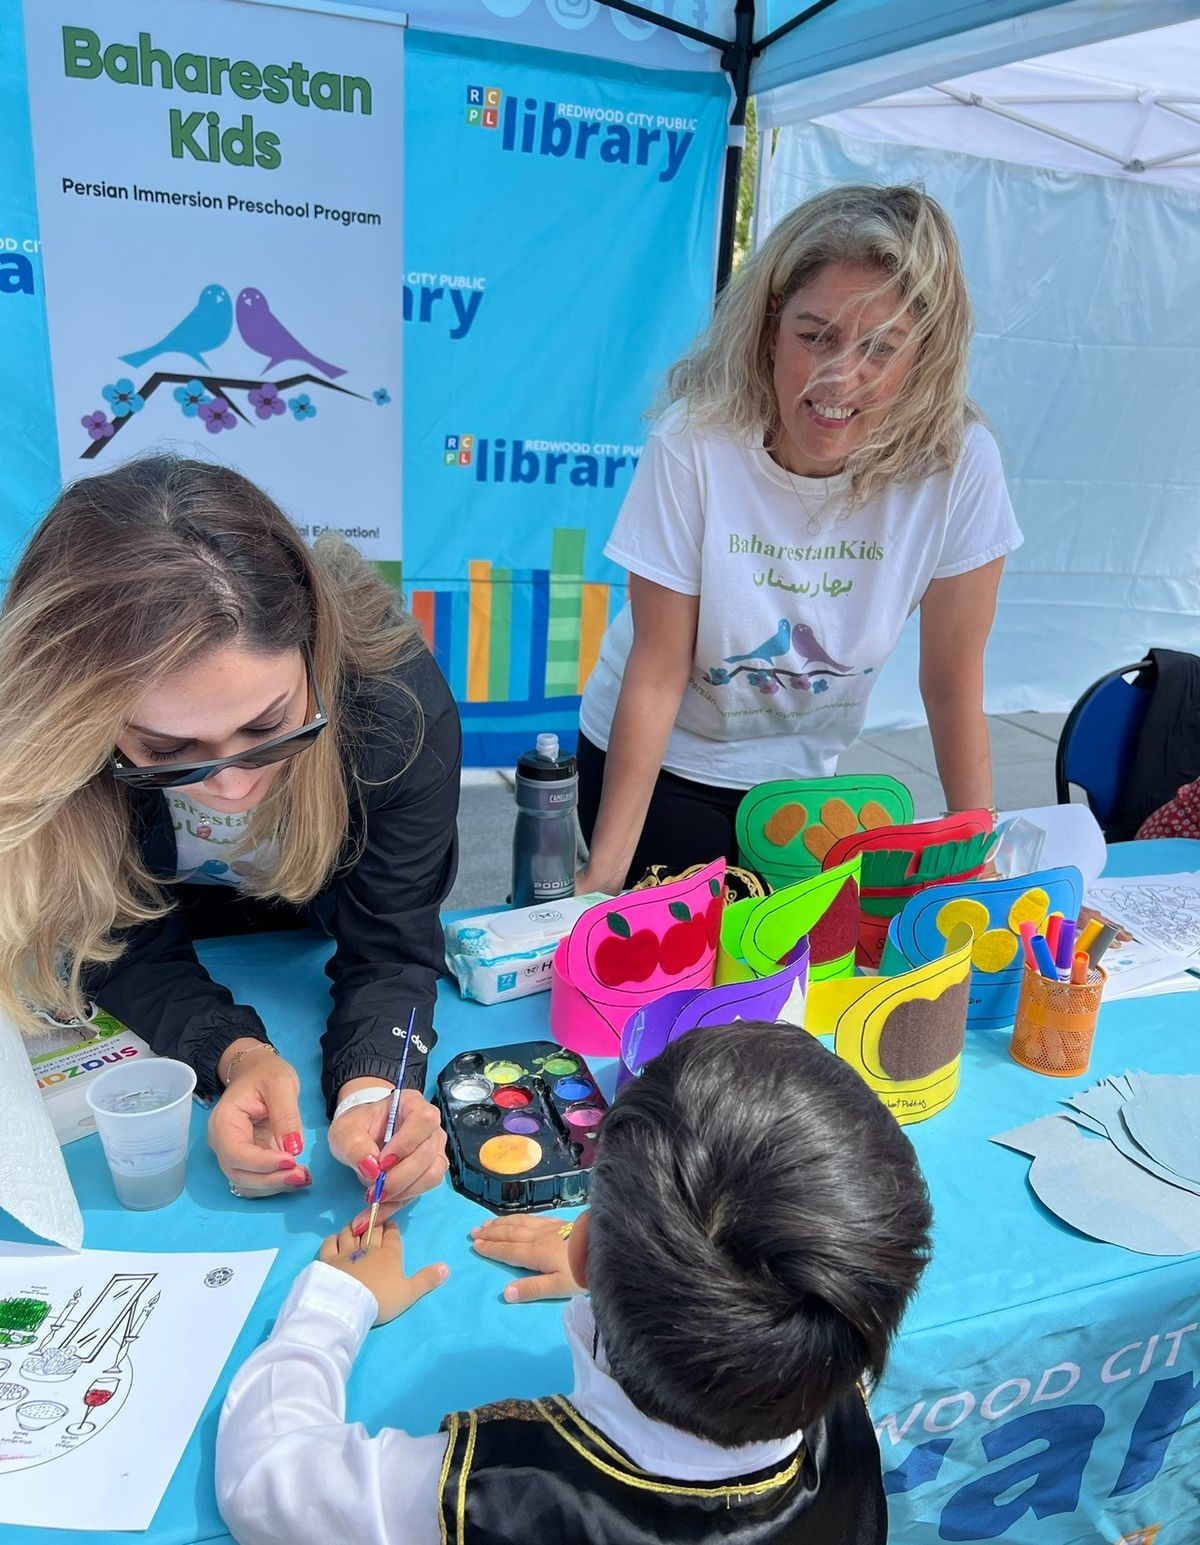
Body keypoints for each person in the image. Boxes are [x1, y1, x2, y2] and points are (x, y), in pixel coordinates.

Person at [215, 1021, 933, 1543]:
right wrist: (640, 1267)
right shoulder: (835, 1354)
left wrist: (332, 1301)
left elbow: (265, 1476)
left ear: (581, 1244)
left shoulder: (482, 1498)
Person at [0, 455, 460, 1210]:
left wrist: (371, 1091)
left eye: (269, 726)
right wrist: (231, 1053)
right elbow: (114, 939)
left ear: (315, 648)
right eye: (167, 751)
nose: (234, 786)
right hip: (167, 923)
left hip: (313, 913)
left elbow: (393, 941)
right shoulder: (55, 744)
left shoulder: (395, 709)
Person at [577, 184, 1023, 894]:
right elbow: (657, 674)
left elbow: (950, 685)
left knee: (805, 978)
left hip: (806, 788)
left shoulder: (958, 463)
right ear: (769, 326)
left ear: (925, 355)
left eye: (881, 347)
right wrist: (600, 880)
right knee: (683, 977)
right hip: (665, 766)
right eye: (816, 336)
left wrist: (980, 866)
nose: (840, 376)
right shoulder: (695, 444)